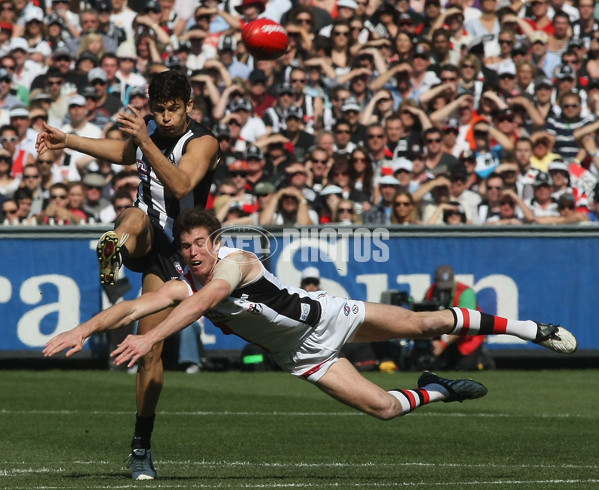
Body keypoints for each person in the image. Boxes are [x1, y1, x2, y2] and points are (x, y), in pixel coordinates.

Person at [44, 207, 577, 465]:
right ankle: (436, 388)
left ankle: (534, 329)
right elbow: (135, 305)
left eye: (200, 244)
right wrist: (82, 327)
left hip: (329, 316)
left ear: (218, 241)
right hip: (301, 356)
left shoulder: (236, 261)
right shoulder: (186, 283)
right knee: (386, 410)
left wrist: (149, 337)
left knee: (426, 320)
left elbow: (208, 300)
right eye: (186, 248)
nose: (194, 253)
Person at [36, 69, 221, 481]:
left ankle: (141, 441)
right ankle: (114, 248)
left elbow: (180, 183)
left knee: (149, 349)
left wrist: (143, 138)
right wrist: (69, 140)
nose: (167, 117)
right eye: (160, 110)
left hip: (183, 250)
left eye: (174, 110)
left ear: (189, 106)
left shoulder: (203, 141)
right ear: (150, 107)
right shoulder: (148, 133)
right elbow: (123, 152)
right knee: (133, 214)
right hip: (147, 234)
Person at [424, 265, 494, 371]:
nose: (445, 292)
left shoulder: (465, 293)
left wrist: (443, 343)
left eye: (447, 288)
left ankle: (482, 358)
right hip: (442, 334)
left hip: (466, 337)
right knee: (434, 366)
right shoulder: (431, 291)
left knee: (465, 367)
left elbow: (465, 323)